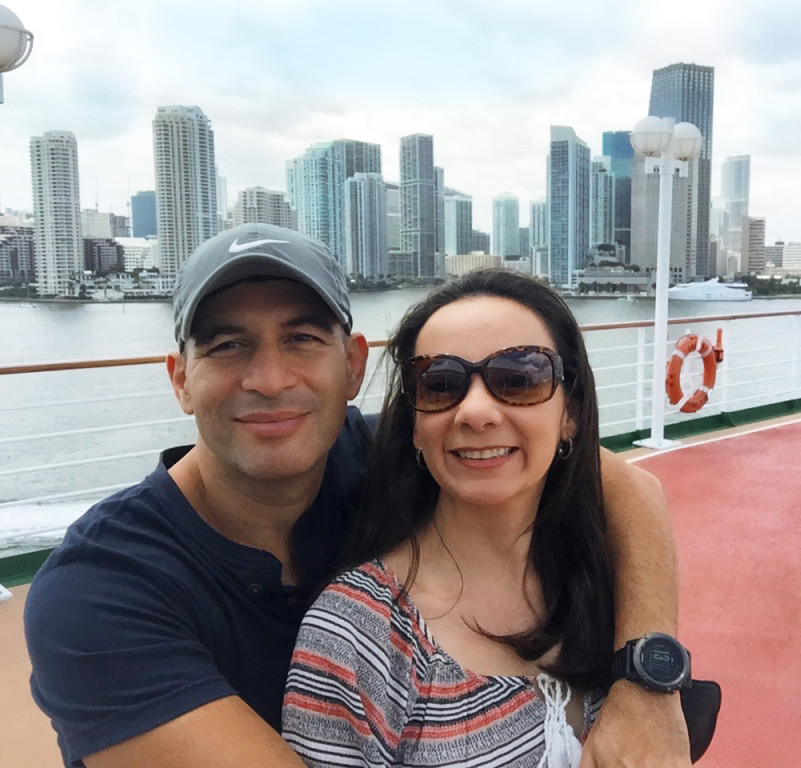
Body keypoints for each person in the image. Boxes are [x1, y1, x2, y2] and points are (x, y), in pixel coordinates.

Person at [24, 224, 686, 768]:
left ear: (355, 366)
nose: (268, 377)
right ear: (180, 380)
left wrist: (647, 683)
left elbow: (627, 484)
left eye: (303, 339)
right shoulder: (99, 594)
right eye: (228, 346)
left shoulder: (400, 452)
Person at [282, 269, 689, 767]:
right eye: (440, 383)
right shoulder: (358, 638)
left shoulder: (609, 576)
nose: (475, 411)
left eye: (520, 378)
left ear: (571, 415)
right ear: (414, 425)